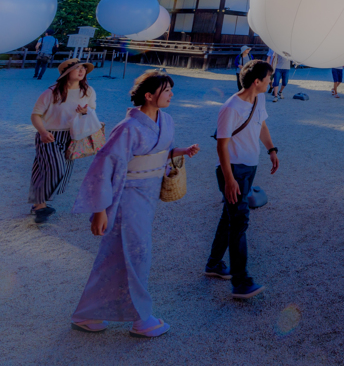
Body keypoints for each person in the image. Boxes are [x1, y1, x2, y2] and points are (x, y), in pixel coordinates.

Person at [70, 71, 200, 337]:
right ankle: (141, 318)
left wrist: (181, 152)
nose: (172, 94)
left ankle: (87, 314)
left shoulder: (165, 120)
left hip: (147, 195)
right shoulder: (128, 127)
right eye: (166, 91)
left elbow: (161, 152)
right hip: (126, 197)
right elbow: (104, 167)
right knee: (138, 255)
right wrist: (100, 211)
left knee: (117, 256)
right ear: (149, 96)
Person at [205, 59, 279, 299]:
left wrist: (271, 150)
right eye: (268, 78)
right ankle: (241, 281)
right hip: (233, 170)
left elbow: (262, 126)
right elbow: (222, 146)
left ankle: (214, 264)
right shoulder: (231, 108)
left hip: (250, 167)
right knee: (239, 221)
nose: (271, 81)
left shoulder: (259, 98)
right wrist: (229, 180)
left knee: (229, 216)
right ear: (257, 82)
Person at [29, 58, 97, 224]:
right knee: (56, 169)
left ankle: (39, 206)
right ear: (67, 73)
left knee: (57, 172)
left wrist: (84, 113)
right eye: (77, 68)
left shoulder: (88, 91)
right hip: (49, 135)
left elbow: (91, 112)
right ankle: (40, 205)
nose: (82, 71)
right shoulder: (51, 92)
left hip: (73, 136)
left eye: (83, 68)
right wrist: (43, 132)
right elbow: (35, 115)